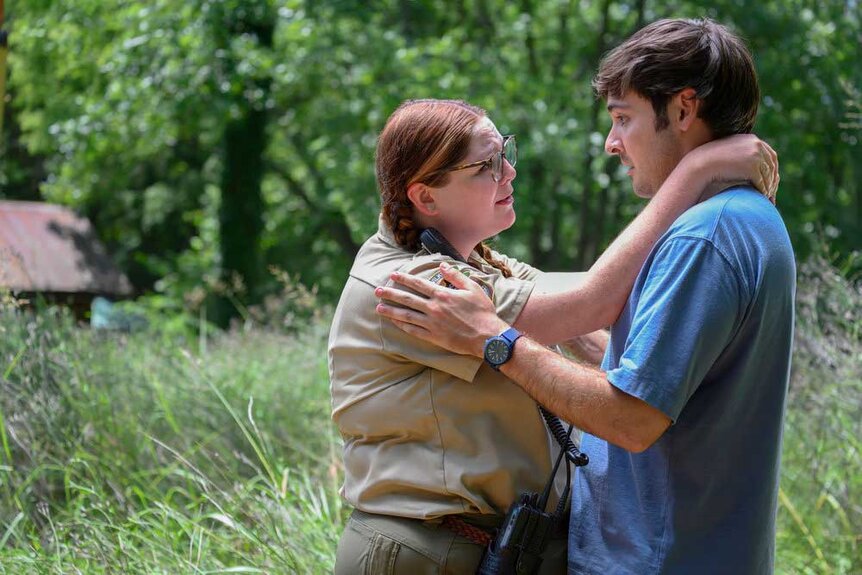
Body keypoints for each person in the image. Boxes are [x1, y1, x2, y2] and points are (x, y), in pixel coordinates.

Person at [376, 18, 795, 575]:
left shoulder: (704, 237)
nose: (611, 142)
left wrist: (495, 341)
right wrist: (562, 330)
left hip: (654, 559)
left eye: (624, 118)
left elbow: (632, 417)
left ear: (684, 109)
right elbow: (667, 379)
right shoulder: (749, 220)